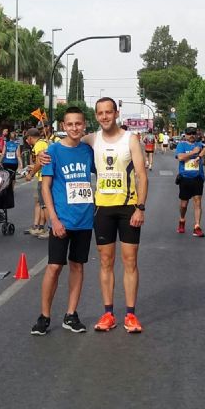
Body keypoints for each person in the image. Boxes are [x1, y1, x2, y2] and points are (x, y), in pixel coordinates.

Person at [38, 98, 148, 332]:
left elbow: (141, 175)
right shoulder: (90, 141)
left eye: (109, 112)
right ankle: (107, 313)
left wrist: (141, 207)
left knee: (129, 261)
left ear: (116, 113)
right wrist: (38, 160)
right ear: (96, 117)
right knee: (102, 263)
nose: (105, 116)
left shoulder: (129, 139)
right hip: (100, 210)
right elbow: (62, 152)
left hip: (125, 208)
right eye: (101, 113)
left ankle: (130, 315)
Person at [31, 107, 95, 336]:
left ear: (84, 125)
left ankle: (71, 314)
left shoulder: (89, 151)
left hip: (85, 220)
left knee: (78, 266)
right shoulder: (53, 151)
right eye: (70, 124)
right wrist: (54, 219)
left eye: (78, 124)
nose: (75, 128)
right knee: (54, 267)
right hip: (61, 221)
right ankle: (44, 316)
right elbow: (45, 187)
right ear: (63, 126)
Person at [175, 126, 205, 237]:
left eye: (193, 133)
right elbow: (180, 157)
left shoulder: (199, 144)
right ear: (185, 135)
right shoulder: (182, 145)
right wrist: (192, 153)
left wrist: (199, 156)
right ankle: (182, 219)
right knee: (184, 204)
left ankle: (197, 226)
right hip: (185, 177)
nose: (192, 135)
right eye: (189, 133)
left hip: (198, 177)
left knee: (197, 201)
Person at [25, 128, 50, 238]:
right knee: (42, 204)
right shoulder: (43, 143)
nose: (26, 141)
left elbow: (40, 162)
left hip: (42, 178)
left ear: (30, 137)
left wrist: (31, 173)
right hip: (43, 176)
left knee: (45, 205)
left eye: (27, 138)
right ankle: (40, 227)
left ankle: (49, 229)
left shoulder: (39, 145)